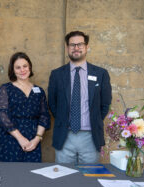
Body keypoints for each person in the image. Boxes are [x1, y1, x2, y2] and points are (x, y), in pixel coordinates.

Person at [48, 31, 112, 164]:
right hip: (65, 136)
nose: (76, 48)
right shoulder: (57, 74)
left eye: (80, 44)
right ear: (67, 48)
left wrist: (94, 119)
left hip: (91, 136)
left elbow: (105, 103)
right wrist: (63, 119)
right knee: (64, 178)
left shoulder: (101, 74)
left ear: (87, 46)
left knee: (89, 178)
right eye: (72, 45)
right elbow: (52, 104)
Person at [0, 52, 50, 162]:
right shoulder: (6, 89)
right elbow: (2, 114)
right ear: (13, 70)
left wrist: (37, 139)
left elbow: (44, 116)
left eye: (25, 66)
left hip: (32, 140)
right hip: (10, 138)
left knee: (30, 176)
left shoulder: (39, 91)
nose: (22, 70)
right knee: (8, 175)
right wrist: (20, 138)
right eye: (18, 67)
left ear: (30, 67)